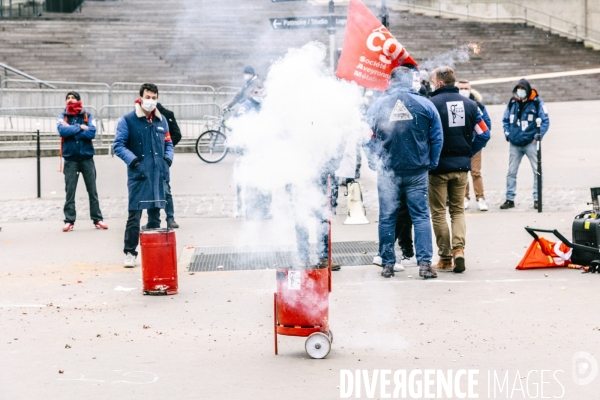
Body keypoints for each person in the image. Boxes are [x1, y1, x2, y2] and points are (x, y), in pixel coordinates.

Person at [365, 66, 443, 279]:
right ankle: (425, 264)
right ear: (411, 81)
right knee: (420, 216)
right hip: (417, 170)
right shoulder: (425, 104)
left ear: (391, 81)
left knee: (387, 217)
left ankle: (388, 263)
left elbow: (365, 136)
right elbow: (437, 137)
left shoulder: (378, 106)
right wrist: (431, 162)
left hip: (388, 170)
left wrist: (375, 162)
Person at [428, 67, 490, 273]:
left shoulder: (431, 105)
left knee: (438, 212)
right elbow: (483, 134)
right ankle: (459, 250)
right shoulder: (471, 105)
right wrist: (468, 152)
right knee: (457, 211)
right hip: (462, 167)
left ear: (439, 83)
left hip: (438, 167)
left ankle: (445, 257)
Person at [113, 83, 174, 268]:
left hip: (158, 174)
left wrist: (167, 160)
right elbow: (119, 145)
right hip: (139, 175)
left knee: (155, 215)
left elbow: (168, 143)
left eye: (154, 97)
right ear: (140, 98)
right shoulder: (128, 120)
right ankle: (130, 252)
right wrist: (134, 162)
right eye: (147, 97)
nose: (151, 101)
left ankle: (155, 254)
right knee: (134, 216)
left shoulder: (161, 120)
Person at [57, 91, 108, 232]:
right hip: (70, 159)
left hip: (86, 158)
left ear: (78, 100)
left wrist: (71, 130)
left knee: (92, 190)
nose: (70, 100)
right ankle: (69, 220)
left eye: (73, 98)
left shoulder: (87, 115)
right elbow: (61, 130)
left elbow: (91, 132)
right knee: (70, 191)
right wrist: (80, 127)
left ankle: (97, 219)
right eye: (68, 98)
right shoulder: (63, 116)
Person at [500, 78, 550, 210]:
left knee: (537, 171)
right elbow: (505, 119)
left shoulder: (536, 102)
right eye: (519, 89)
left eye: (523, 89)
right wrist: (507, 134)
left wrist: (537, 137)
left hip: (530, 143)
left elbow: (545, 121)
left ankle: (537, 198)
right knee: (511, 172)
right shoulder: (513, 102)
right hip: (515, 143)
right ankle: (509, 199)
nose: (520, 91)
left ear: (527, 90)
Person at [235, 83, 272, 220]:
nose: (260, 95)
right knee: (251, 183)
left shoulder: (265, 107)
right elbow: (239, 128)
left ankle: (266, 211)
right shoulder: (245, 107)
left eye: (261, 92)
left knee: (266, 182)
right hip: (250, 152)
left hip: (264, 151)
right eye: (256, 92)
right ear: (251, 93)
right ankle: (251, 212)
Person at [457, 79, 492, 211]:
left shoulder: (477, 105)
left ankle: (480, 198)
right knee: (463, 172)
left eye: (466, 88)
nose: (464, 91)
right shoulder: (455, 103)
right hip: (461, 143)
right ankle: (465, 197)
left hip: (474, 143)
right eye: (461, 88)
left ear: (470, 89)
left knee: (475, 172)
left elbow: (486, 123)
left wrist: (479, 140)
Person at [149, 102, 181, 229]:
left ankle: (170, 217)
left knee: (165, 189)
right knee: (150, 190)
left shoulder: (166, 114)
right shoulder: (143, 116)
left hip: (162, 159)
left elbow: (176, 134)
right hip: (149, 159)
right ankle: (153, 220)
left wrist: (166, 152)